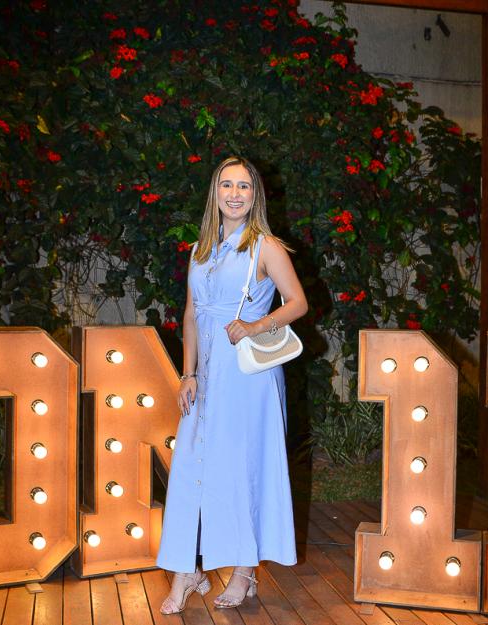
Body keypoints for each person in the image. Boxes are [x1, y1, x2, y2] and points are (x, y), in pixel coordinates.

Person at [156, 156, 308, 613]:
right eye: (227, 185)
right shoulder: (200, 250)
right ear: (215, 193)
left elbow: (298, 302)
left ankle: (244, 570)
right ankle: (187, 569)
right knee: (190, 467)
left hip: (247, 376)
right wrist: (187, 373)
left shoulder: (265, 246)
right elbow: (190, 314)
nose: (235, 194)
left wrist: (257, 324)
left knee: (243, 468)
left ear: (255, 194)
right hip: (205, 374)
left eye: (244, 186)